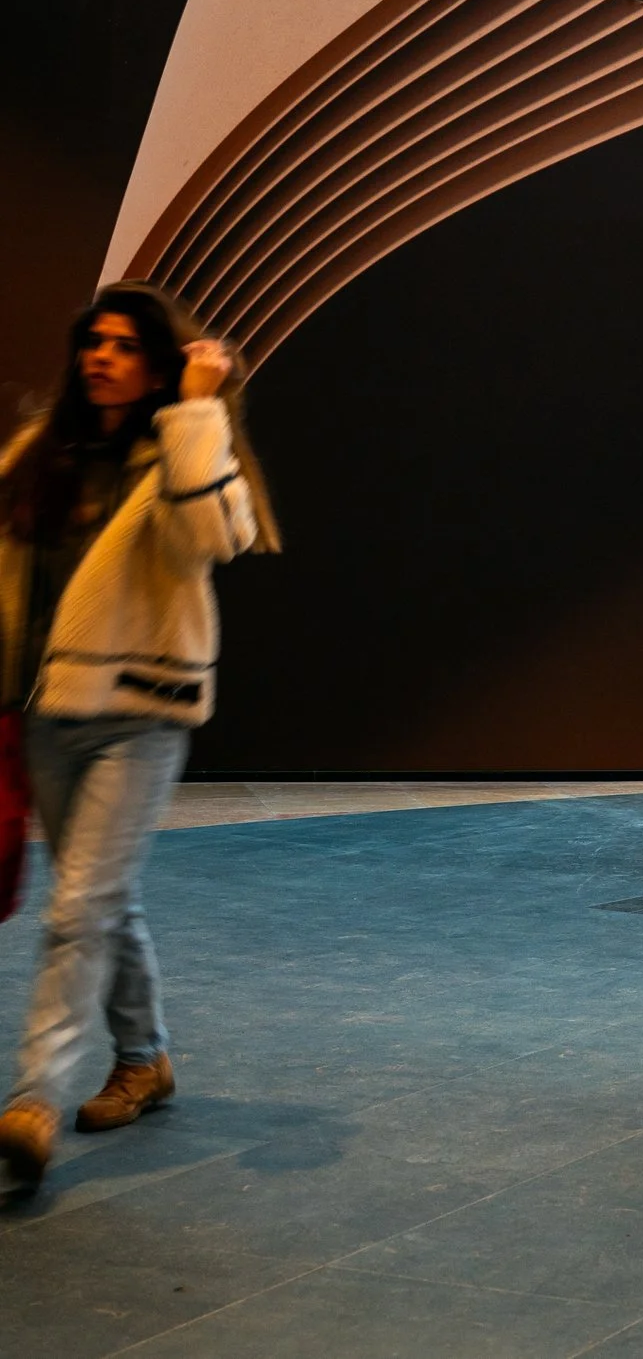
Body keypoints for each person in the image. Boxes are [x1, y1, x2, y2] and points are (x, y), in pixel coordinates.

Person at [0, 285, 273, 1191]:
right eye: (92, 342)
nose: (100, 357)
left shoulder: (182, 447)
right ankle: (144, 1056)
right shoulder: (46, 452)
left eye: (122, 346)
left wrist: (198, 407)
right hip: (47, 709)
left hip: (141, 713)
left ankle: (32, 1100)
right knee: (103, 900)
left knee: (78, 909)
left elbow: (217, 537)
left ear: (158, 363)